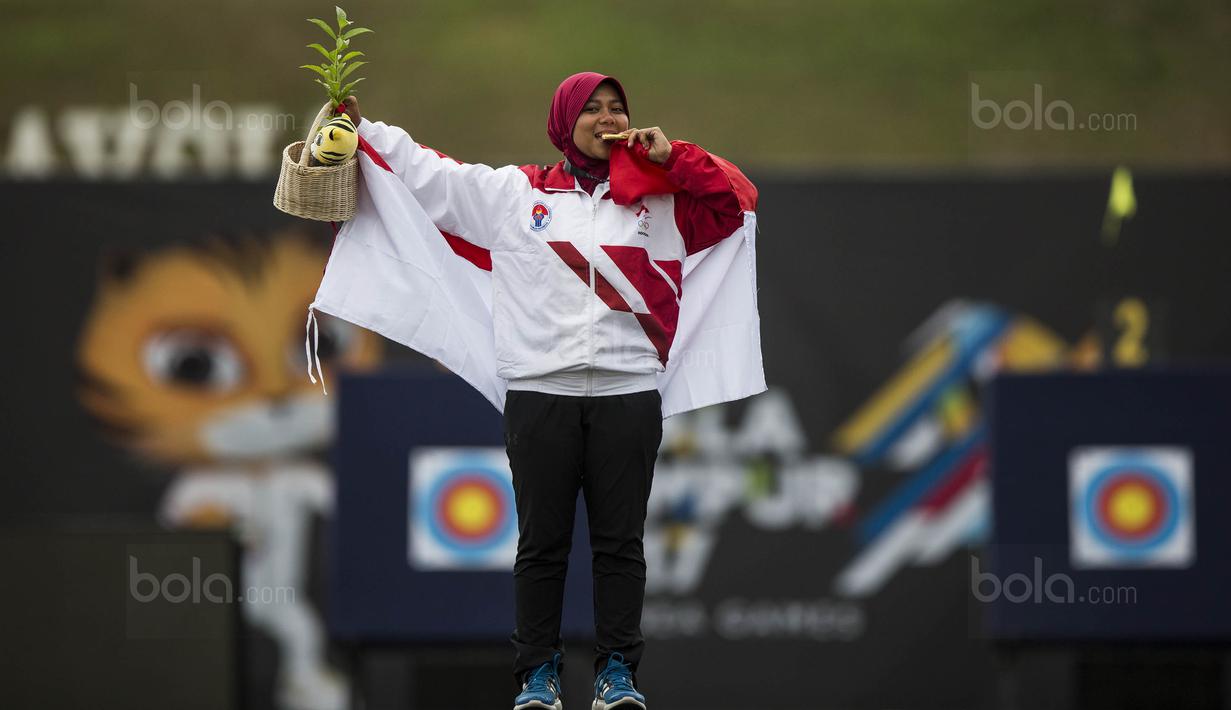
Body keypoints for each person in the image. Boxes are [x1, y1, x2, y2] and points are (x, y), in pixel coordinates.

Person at [338, 71, 757, 710]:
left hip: (628, 390)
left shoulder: (666, 198)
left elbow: (734, 204)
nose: (608, 118)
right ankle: (538, 676)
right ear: (564, 122)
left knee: (620, 544)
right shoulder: (516, 193)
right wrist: (360, 127)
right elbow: (430, 176)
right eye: (592, 110)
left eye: (618, 108)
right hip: (540, 392)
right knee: (542, 545)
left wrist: (676, 159)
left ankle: (618, 674)